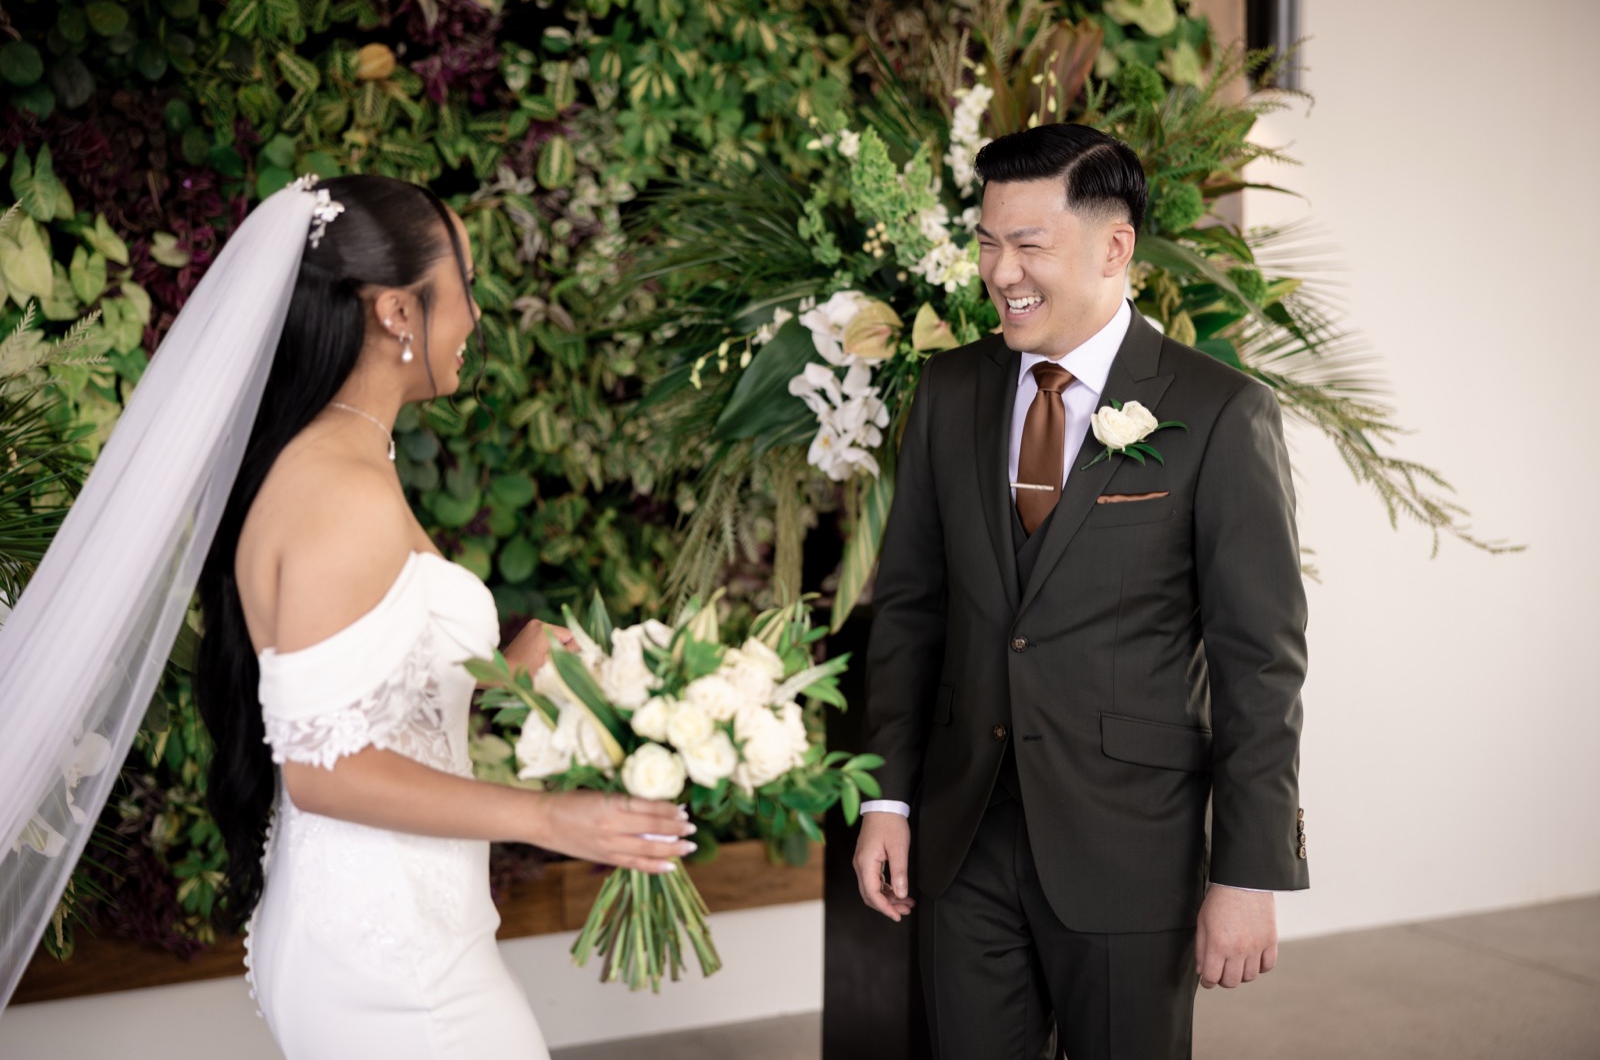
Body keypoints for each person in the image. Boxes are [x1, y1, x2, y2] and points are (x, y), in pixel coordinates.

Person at [0, 174, 694, 1051]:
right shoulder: (337, 488)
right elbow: (323, 772)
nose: (476, 317)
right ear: (399, 311)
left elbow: (354, 711)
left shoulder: (343, 460)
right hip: (388, 954)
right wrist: (549, 817)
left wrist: (498, 674)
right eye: (465, 287)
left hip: (404, 927)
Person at [851, 124, 1310, 1059]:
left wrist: (1249, 870)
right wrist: (886, 801)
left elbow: (1258, 659)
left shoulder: (1221, 413)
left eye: (1028, 246)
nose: (1000, 271)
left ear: (1114, 247)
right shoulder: (948, 391)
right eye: (986, 242)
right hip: (964, 834)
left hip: (1132, 848)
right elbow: (910, 607)